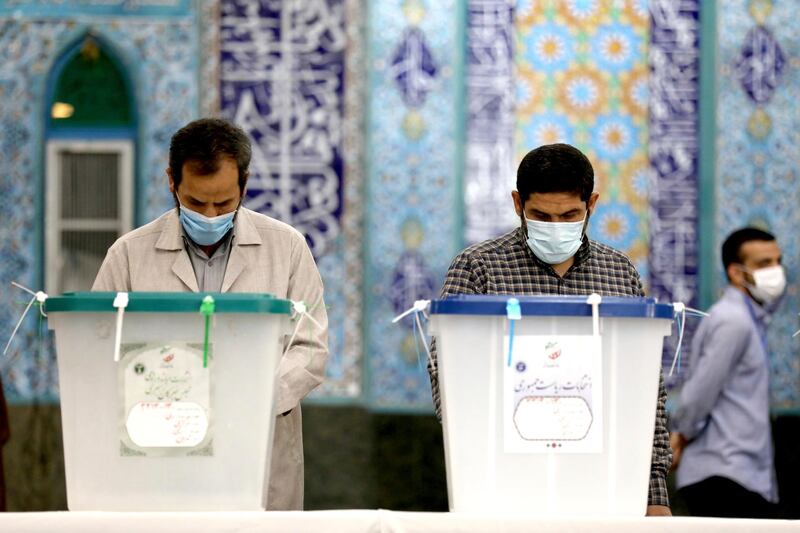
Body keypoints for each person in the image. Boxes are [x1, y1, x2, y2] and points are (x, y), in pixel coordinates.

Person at [93, 118, 328, 510]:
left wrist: (247, 401)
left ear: (244, 186)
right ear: (172, 181)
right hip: (159, 452)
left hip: (258, 446)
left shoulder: (286, 248)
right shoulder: (129, 255)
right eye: (196, 203)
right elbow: (99, 346)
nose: (209, 214)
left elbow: (311, 347)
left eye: (223, 203)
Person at [428, 143, 672, 516]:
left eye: (570, 215)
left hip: (603, 479)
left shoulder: (620, 272)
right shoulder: (479, 268)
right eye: (541, 216)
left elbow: (646, 387)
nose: (556, 228)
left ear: (591, 205)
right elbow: (447, 374)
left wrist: (654, 493)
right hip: (503, 478)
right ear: (517, 204)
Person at [670, 228, 782, 518]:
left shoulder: (748, 318)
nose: (775, 271)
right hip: (724, 473)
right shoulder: (734, 321)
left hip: (739, 475)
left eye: (776, 261)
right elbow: (700, 392)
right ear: (736, 272)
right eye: (763, 264)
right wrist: (680, 436)